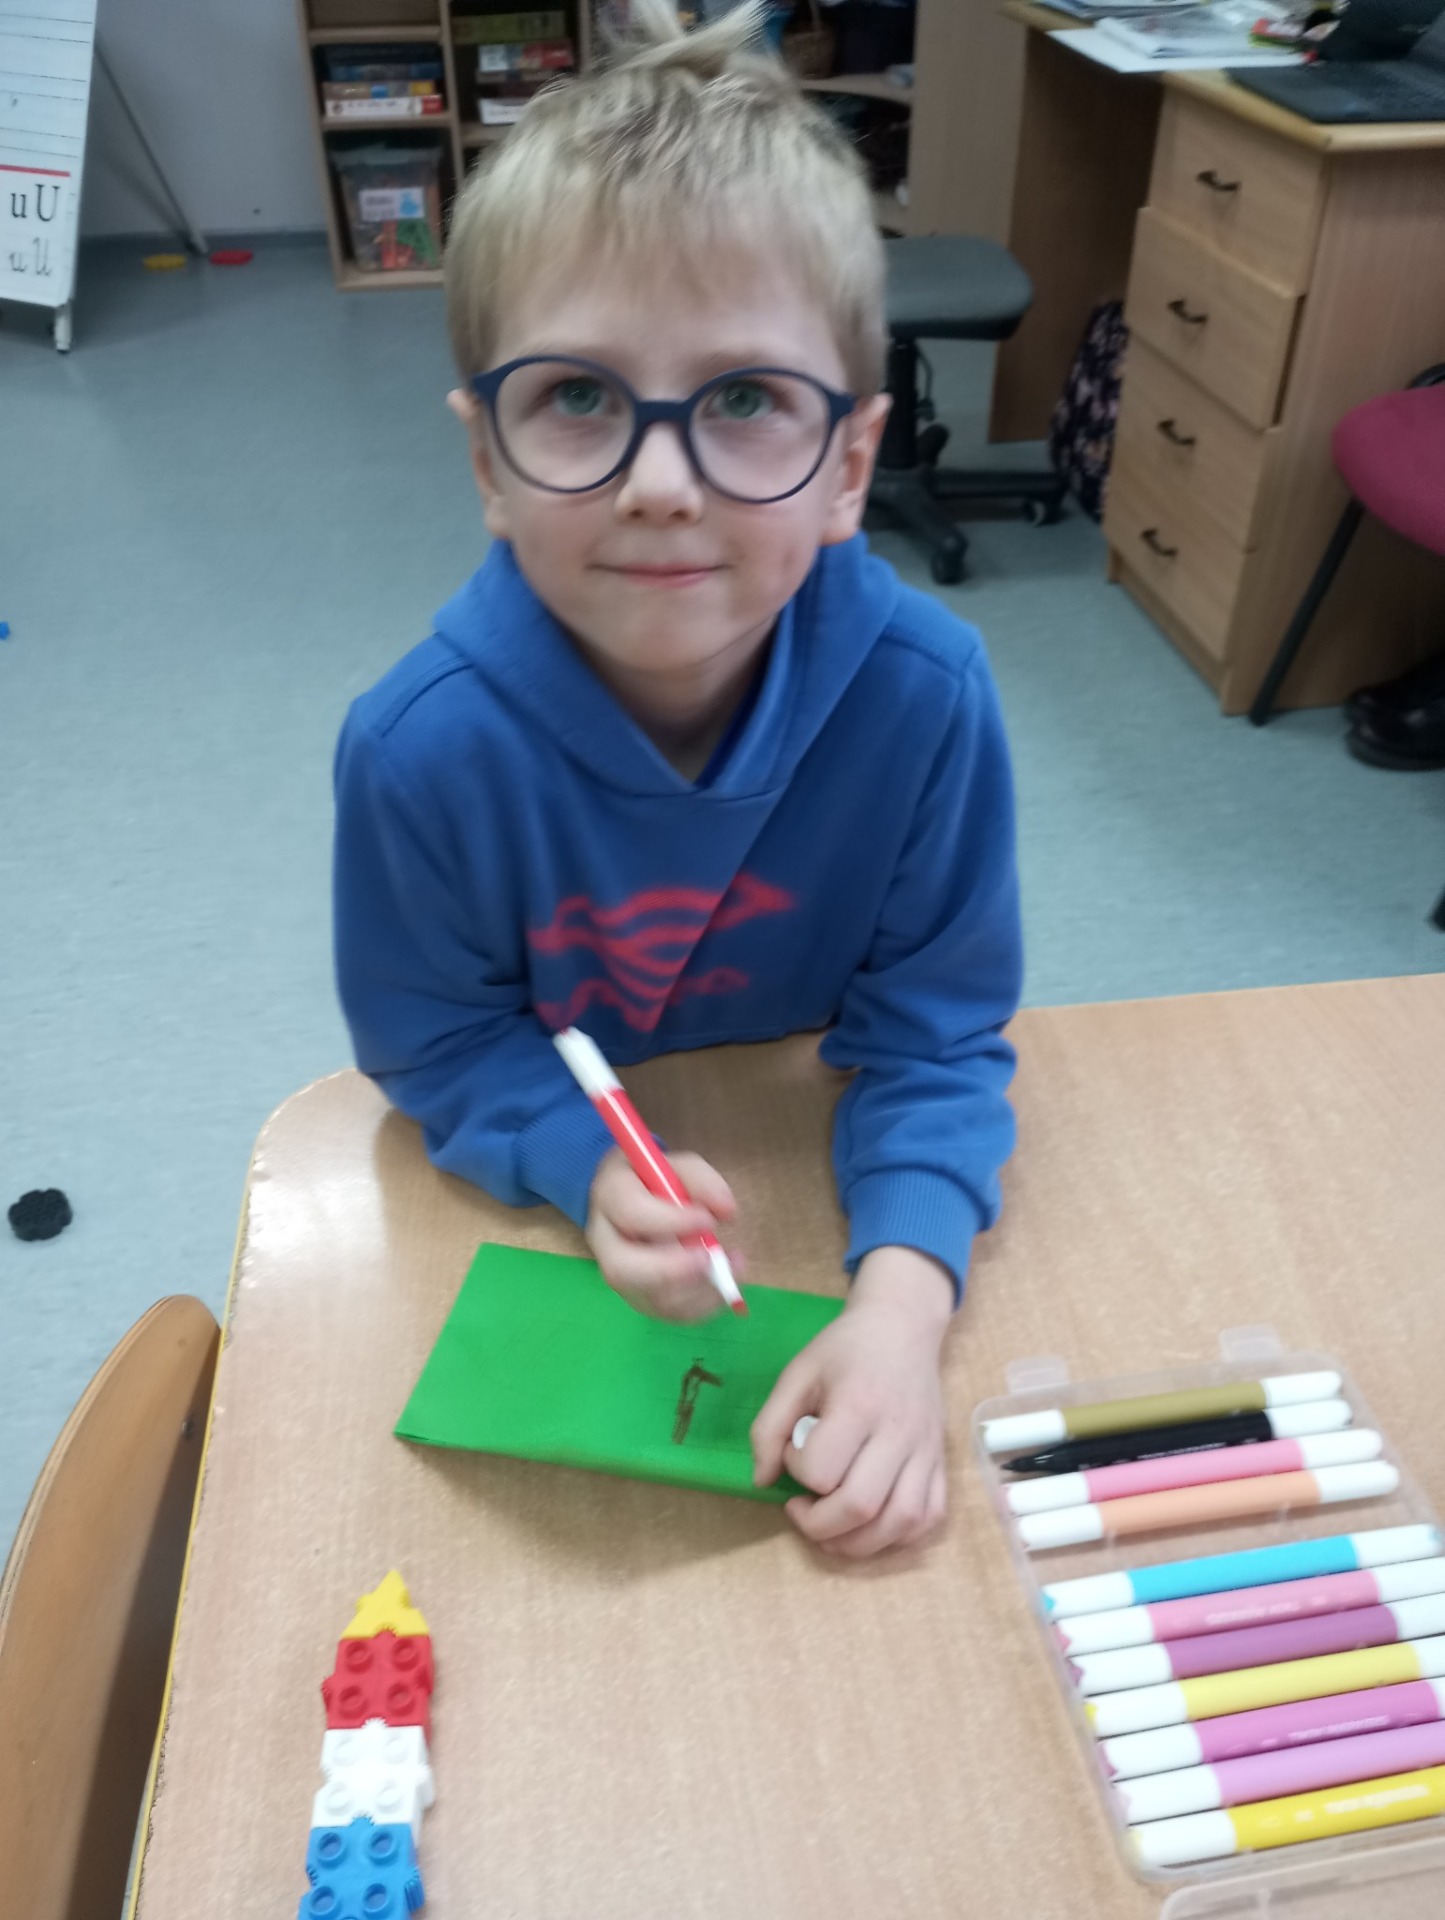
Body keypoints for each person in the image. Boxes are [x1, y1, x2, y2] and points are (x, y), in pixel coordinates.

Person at [333, 0, 1022, 1558]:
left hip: (799, 1158)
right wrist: (580, 1166)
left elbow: (936, 1032)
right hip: (596, 1212)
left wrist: (900, 1307)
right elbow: (435, 1043)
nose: (659, 483)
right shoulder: (418, 752)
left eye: (745, 400)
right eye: (578, 396)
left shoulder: (924, 701)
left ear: (849, 467)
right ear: (487, 461)